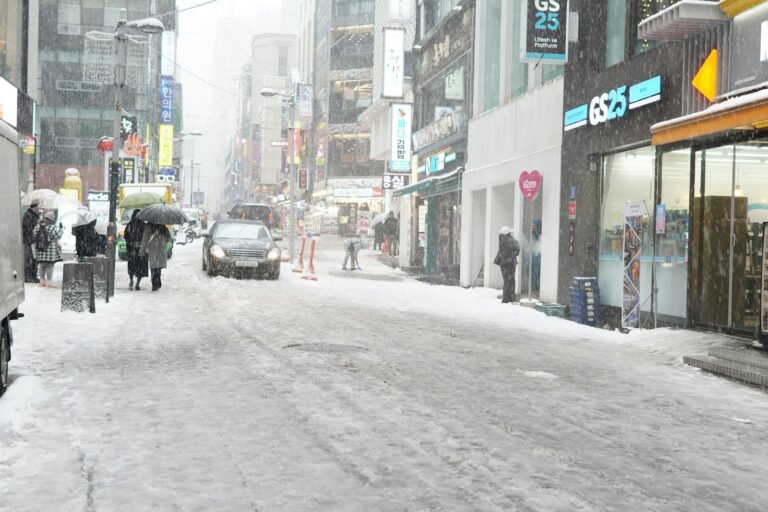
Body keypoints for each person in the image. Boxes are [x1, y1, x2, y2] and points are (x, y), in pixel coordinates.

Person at [32, 211, 63, 288]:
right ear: (52, 219)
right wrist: (61, 229)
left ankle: (42, 281)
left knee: (42, 265)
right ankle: (49, 282)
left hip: (40, 249)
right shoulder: (52, 227)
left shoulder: (38, 226)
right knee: (50, 266)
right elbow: (58, 236)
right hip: (50, 250)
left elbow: (33, 234)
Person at [140, 223, 171, 291]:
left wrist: (142, 251)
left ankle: (155, 283)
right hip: (161, 250)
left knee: (153, 268)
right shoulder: (163, 228)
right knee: (158, 267)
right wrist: (162, 240)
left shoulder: (148, 228)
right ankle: (158, 282)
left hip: (152, 250)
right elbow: (168, 238)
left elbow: (145, 240)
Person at [493, 226, 520, 304]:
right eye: (510, 233)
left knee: (507, 281)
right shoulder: (510, 241)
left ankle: (506, 297)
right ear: (508, 234)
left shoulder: (502, 240)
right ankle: (508, 298)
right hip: (510, 263)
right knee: (510, 281)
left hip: (504, 263)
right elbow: (517, 249)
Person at [124, 209, 148, 290]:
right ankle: (137, 283)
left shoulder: (130, 225)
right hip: (140, 249)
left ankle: (132, 281)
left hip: (133, 249)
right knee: (140, 267)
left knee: (132, 266)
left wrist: (131, 242)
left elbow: (126, 236)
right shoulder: (144, 226)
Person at [22, 199, 41, 283]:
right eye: (37, 207)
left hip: (35, 240)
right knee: (30, 258)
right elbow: (26, 228)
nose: (38, 209)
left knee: (35, 258)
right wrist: (36, 224)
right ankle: (28, 276)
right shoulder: (27, 215)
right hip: (29, 240)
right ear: (33, 207)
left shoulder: (36, 215)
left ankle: (33, 275)